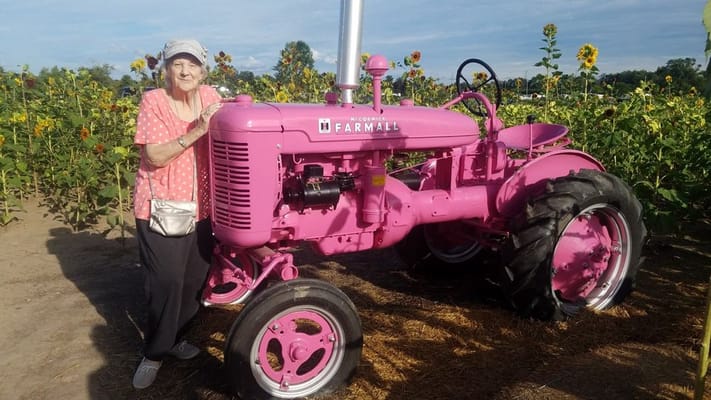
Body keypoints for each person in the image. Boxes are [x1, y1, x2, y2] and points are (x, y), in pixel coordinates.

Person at [131, 39, 222, 390]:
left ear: (202, 70)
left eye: (192, 64)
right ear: (165, 69)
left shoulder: (212, 98)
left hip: (203, 207)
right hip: (163, 206)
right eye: (177, 64)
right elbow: (153, 156)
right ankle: (154, 353)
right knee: (166, 281)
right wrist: (198, 130)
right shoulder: (154, 101)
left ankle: (177, 339)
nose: (185, 71)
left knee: (194, 280)